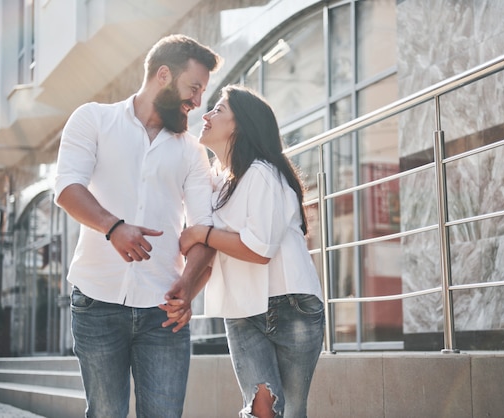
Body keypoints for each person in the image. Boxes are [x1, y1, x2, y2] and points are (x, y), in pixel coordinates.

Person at [54, 34, 222, 418]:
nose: (198, 102)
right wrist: (114, 227)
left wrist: (190, 284)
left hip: (163, 312)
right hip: (96, 302)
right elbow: (67, 188)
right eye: (194, 88)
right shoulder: (93, 119)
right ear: (164, 74)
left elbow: (203, 229)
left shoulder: (193, 153)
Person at [180, 85, 325, 418]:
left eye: (218, 109)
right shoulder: (218, 183)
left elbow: (259, 250)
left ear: (241, 124)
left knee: (289, 410)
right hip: (242, 308)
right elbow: (215, 253)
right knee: (262, 409)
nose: (206, 115)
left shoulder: (263, 172)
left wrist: (201, 232)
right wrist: (185, 295)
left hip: (289, 303)